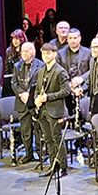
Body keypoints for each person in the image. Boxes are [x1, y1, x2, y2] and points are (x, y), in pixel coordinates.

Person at [32, 42, 69, 176]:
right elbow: (37, 89)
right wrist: (37, 98)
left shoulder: (60, 71)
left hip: (55, 110)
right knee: (48, 139)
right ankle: (54, 165)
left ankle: (63, 167)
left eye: (48, 53)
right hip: (43, 110)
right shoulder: (41, 71)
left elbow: (66, 91)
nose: (46, 56)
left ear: (54, 54)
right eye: (43, 53)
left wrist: (47, 97)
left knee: (57, 139)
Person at [10, 41, 41, 163]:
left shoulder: (41, 65)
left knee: (38, 129)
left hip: (34, 102)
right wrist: (21, 94)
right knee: (25, 131)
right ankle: (28, 154)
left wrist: (29, 94)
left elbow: (39, 84)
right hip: (22, 102)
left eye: (27, 51)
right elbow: (14, 83)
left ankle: (40, 153)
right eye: (23, 51)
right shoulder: (17, 66)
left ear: (33, 51)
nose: (24, 53)